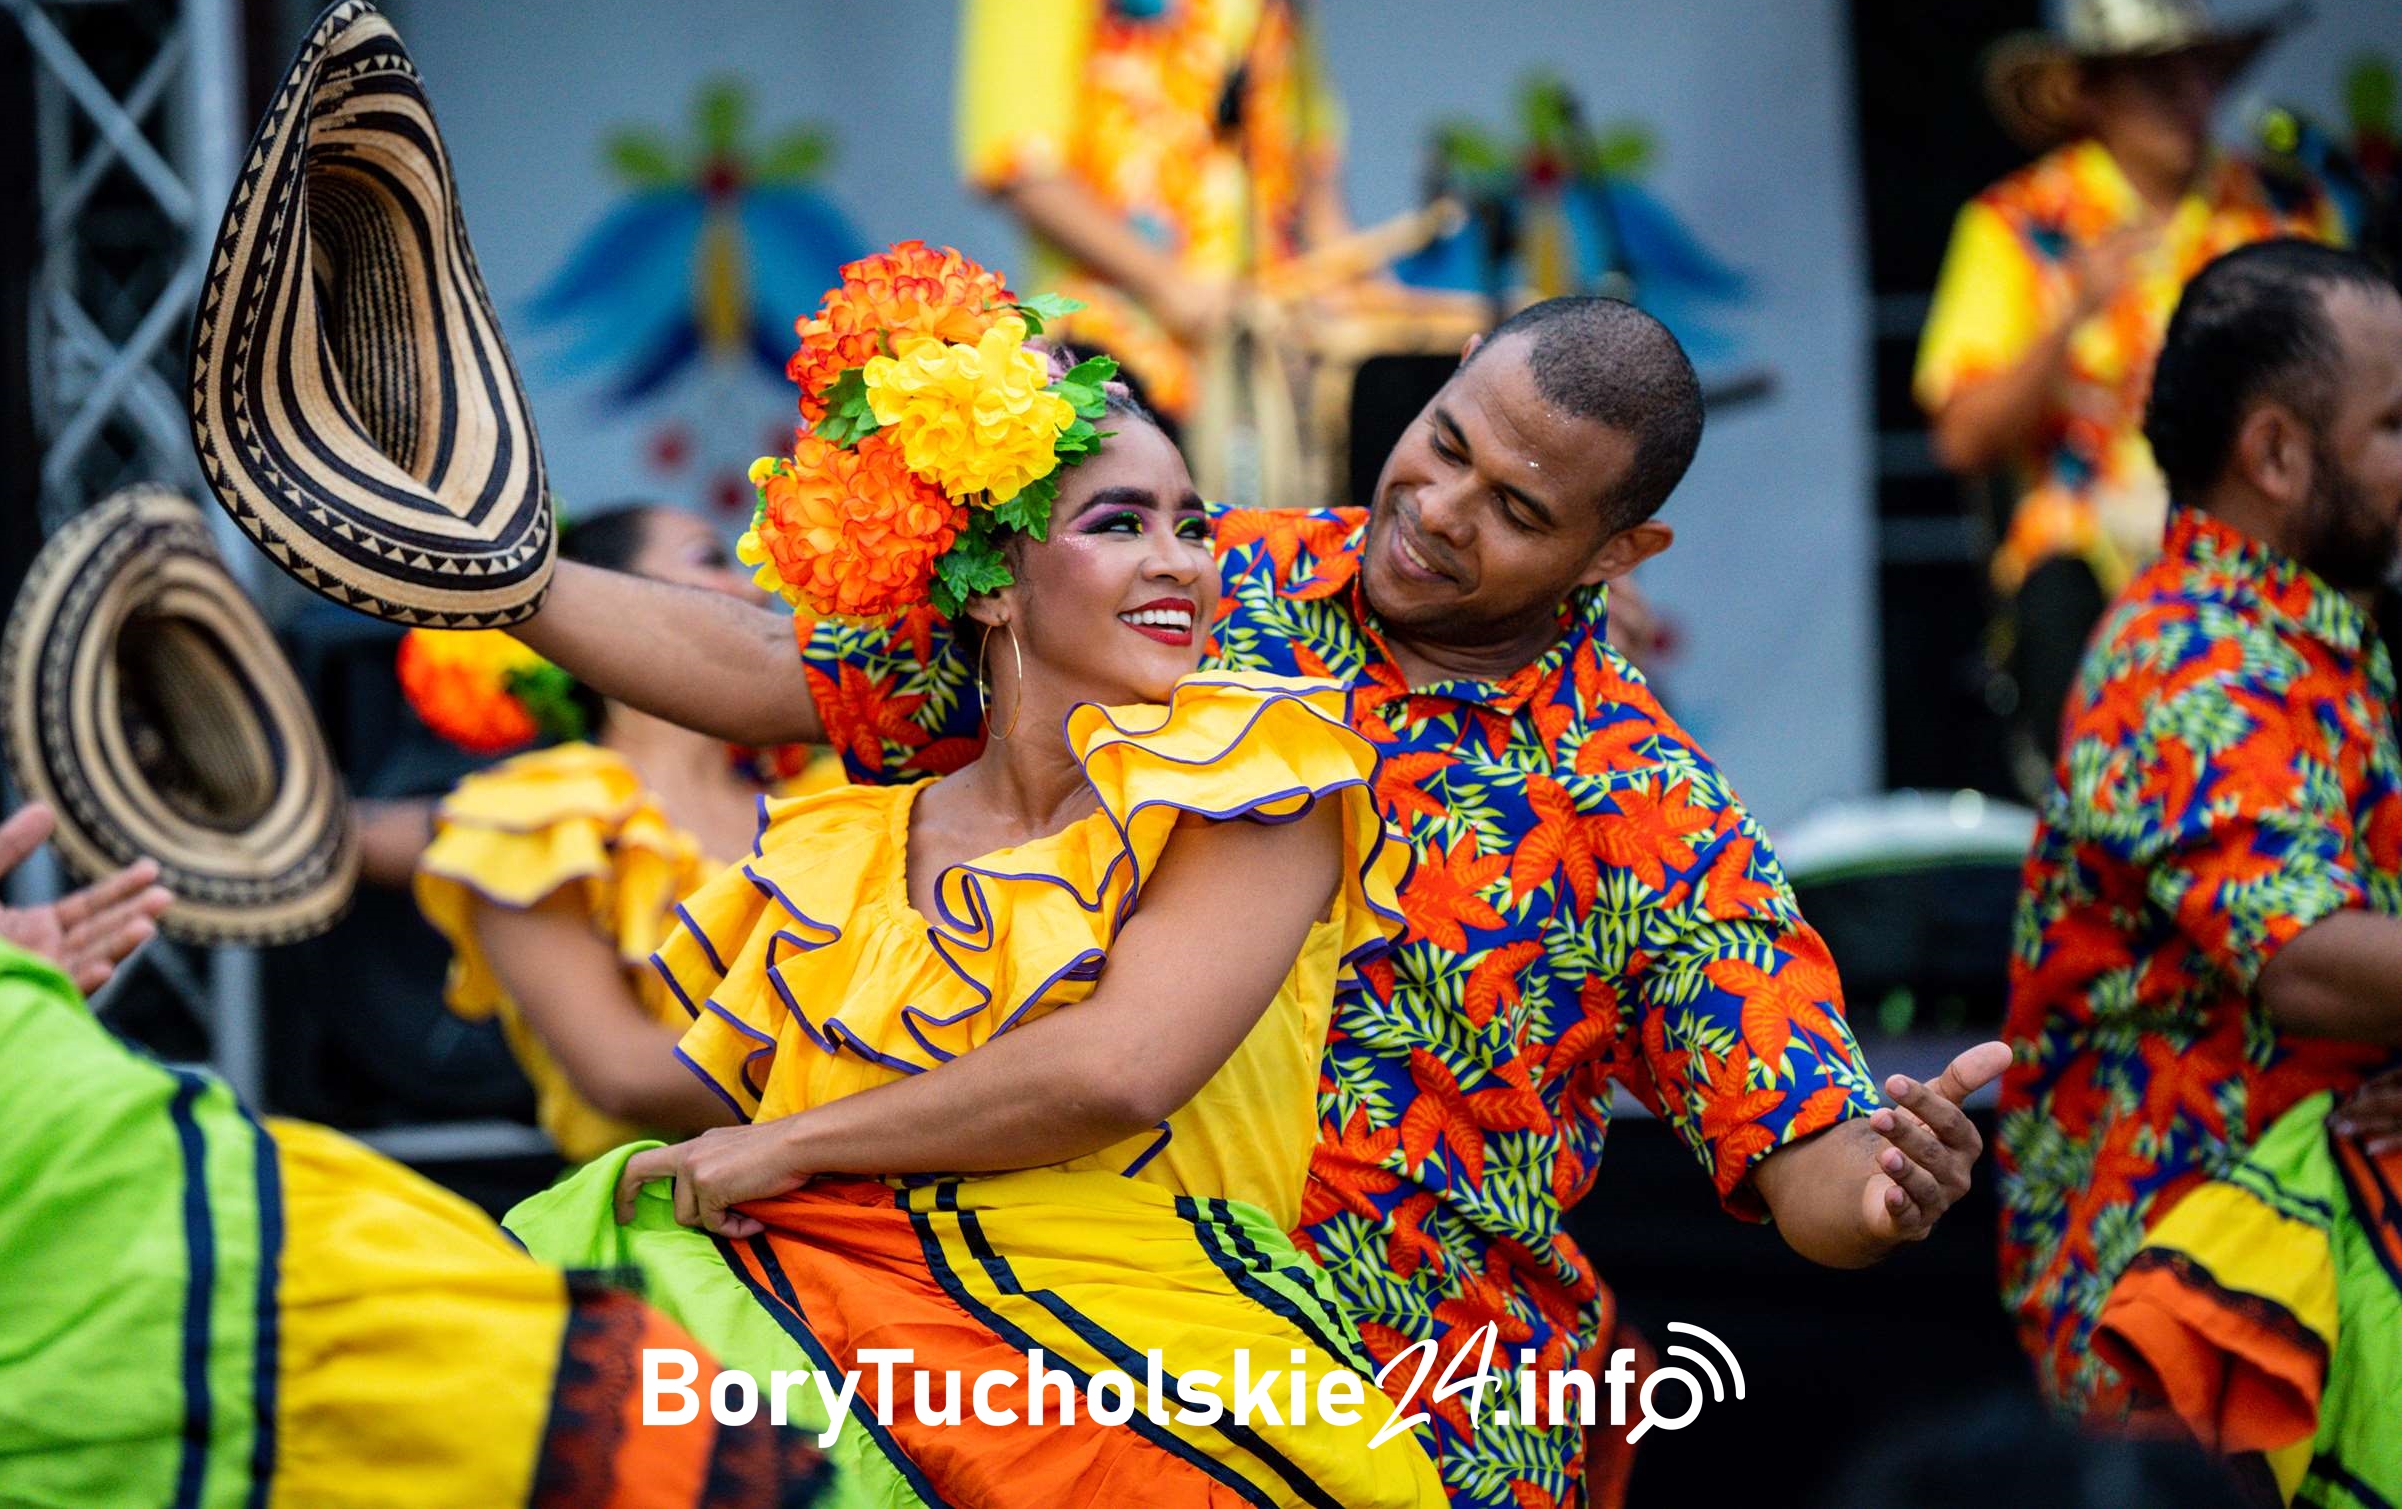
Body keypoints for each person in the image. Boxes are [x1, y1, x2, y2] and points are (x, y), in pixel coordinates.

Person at [509, 255, 2009, 1509]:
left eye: (1517, 509)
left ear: (1622, 550)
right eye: (1446, 442)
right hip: (1061, 1361)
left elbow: (1810, 1162)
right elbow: (799, 671)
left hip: (1416, 1405)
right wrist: (506, 582)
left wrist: (1889, 1185)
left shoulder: (1648, 807)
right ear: (1447, 376)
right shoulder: (1211, 580)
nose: (1442, 507)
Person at [502, 256, 1449, 1506]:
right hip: (854, 1394)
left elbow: (1117, 1070)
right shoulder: (842, 851)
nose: (1180, 561)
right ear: (993, 582)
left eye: (1193, 525)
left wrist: (784, 1144)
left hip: (1158, 1410)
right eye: (1119, 524)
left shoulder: (1260, 779)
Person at [0, 814, 829, 1507]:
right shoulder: (549, 811)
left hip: (102, 1225)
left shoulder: (829, 798)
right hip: (105, 1265)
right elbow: (623, 1070)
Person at [1996, 240, 2402, 1431]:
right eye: (2392, 425)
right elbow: (2308, 955)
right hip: (2188, 1327)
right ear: (2275, 453)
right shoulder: (2193, 656)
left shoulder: (2323, 635)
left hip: (2297, 1285)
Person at [1914, 0, 2340, 773]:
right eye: (2153, 77)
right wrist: (2071, 316)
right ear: (2092, 94)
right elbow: (1961, 438)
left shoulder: (2285, 212)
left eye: (2200, 70)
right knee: (2060, 605)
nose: (2186, 97)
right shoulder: (2015, 223)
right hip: (2087, 550)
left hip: (2264, 542)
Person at [407, 504, 838, 1165]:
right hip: (672, 1207)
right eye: (709, 560)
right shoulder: (534, 819)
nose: (753, 591)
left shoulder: (836, 797)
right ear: (603, 606)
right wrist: (916, 1074)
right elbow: (625, 1074)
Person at [959, 0, 1349, 419]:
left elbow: (1309, 157)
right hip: (1111, 357)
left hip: (1270, 356)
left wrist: (1349, 282)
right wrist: (1169, 285)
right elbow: (1021, 164)